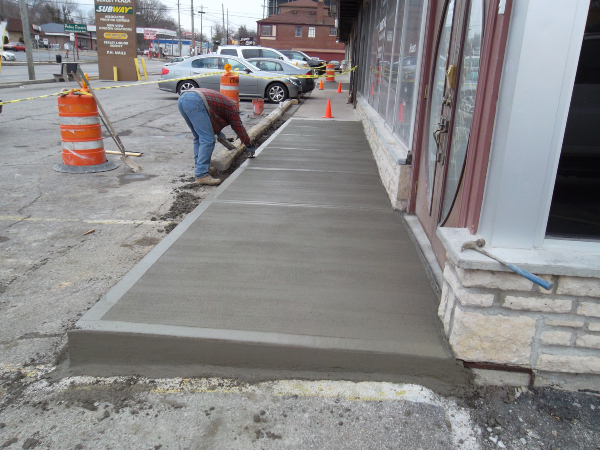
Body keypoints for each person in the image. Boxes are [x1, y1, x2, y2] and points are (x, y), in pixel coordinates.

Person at [178, 88, 255, 185]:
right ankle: (201, 175)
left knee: (199, 137)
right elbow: (239, 127)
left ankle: (202, 168)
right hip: (195, 101)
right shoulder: (232, 110)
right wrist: (247, 143)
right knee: (208, 139)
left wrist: (219, 133)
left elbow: (210, 121)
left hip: (183, 99)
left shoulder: (222, 105)